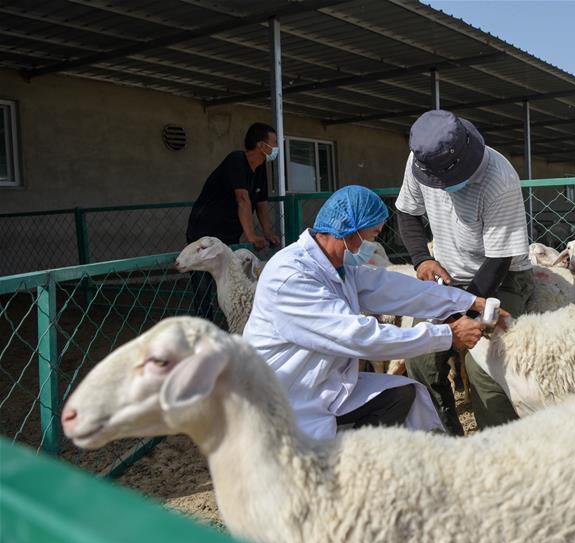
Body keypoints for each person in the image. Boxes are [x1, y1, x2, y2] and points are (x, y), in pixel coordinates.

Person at [242, 185, 495, 440]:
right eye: (371, 236)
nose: (372, 245)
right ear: (348, 230)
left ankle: (359, 453)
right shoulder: (292, 277)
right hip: (284, 395)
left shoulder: (336, 269)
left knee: (401, 394)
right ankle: (348, 457)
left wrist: (469, 302)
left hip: (320, 386)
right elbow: (359, 336)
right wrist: (448, 335)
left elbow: (395, 288)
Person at [396, 110, 534, 435]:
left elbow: (499, 260)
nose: (442, 189)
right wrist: (422, 260)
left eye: (447, 181)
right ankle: (445, 440)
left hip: (499, 279)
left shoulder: (499, 179)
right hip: (447, 277)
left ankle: (500, 446)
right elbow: (406, 212)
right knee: (419, 356)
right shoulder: (421, 161)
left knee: (484, 363)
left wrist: (461, 315)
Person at [185, 122, 282, 320]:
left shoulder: (260, 168)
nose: (276, 147)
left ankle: (234, 319)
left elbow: (261, 203)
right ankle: (204, 323)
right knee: (203, 283)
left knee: (230, 280)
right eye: (274, 142)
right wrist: (251, 235)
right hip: (204, 231)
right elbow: (242, 199)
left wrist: (267, 232)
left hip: (228, 234)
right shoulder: (236, 160)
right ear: (261, 145)